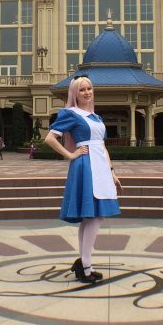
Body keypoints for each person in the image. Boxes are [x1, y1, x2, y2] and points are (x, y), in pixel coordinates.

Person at [44, 76, 122, 284]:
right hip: (85, 166)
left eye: (89, 88)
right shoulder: (70, 114)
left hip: (101, 167)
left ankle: (84, 263)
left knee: (93, 216)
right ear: (75, 94)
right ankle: (86, 265)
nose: (87, 92)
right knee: (94, 216)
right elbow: (50, 138)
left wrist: (112, 171)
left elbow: (102, 146)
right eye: (82, 90)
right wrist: (70, 155)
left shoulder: (96, 117)